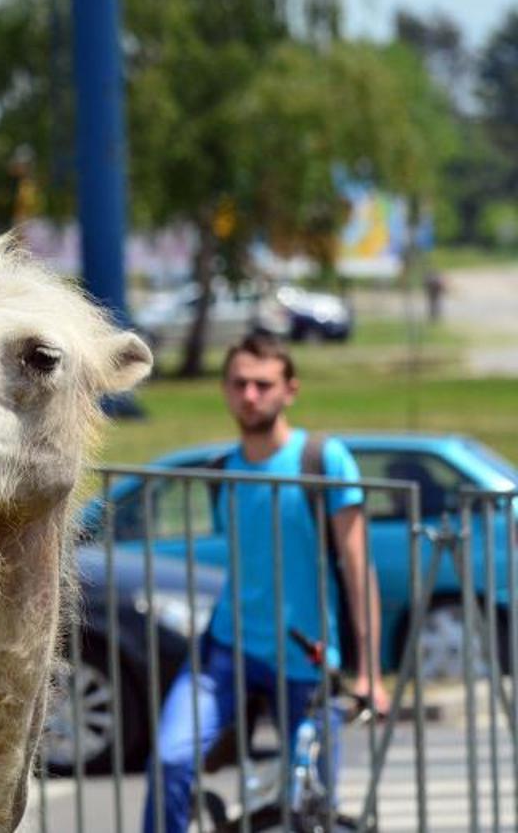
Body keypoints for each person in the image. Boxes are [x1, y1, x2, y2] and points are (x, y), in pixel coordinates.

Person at [142, 332, 390, 833]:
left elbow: (359, 568)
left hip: (308, 659)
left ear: (289, 390)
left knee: (311, 804)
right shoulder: (222, 472)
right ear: (225, 389)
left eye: (263, 384)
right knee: (170, 759)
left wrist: (370, 673)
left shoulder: (323, 460)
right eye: (239, 384)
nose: (250, 395)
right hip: (226, 652)